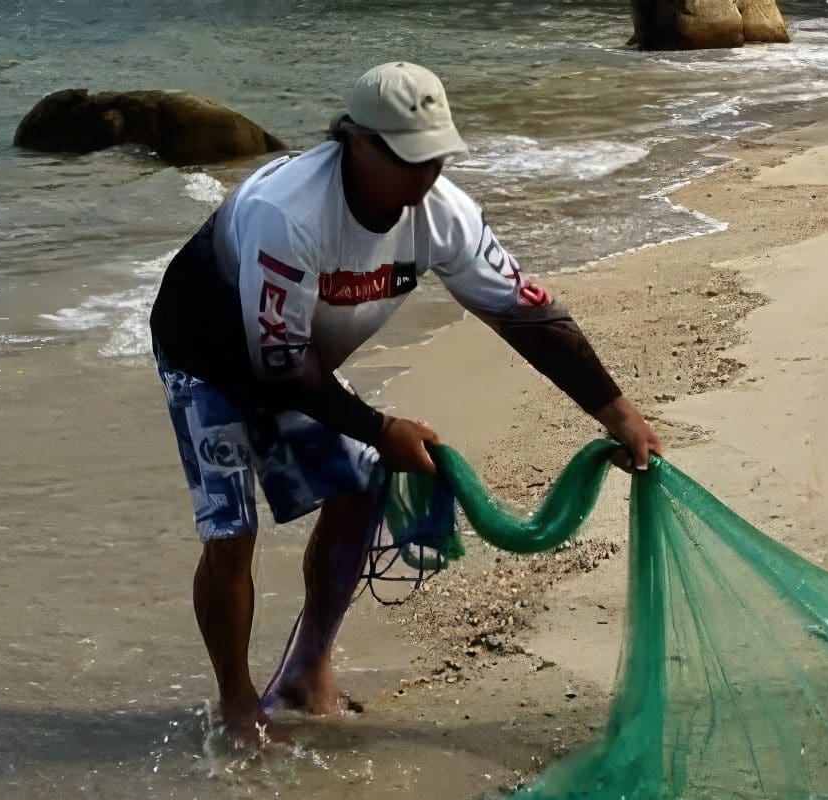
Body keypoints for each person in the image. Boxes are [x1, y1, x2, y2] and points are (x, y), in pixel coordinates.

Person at [149, 61, 660, 748]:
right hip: (207, 354)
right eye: (408, 158)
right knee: (231, 529)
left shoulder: (444, 214)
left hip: (301, 360)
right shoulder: (290, 213)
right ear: (354, 141)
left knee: (362, 483)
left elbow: (531, 317)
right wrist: (379, 425)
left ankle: (308, 667)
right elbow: (278, 367)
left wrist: (618, 414)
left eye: (437, 155)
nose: (425, 175)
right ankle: (238, 705)